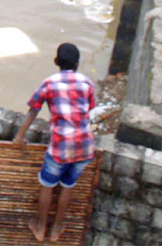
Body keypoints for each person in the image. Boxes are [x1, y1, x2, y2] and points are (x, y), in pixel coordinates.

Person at [11, 43, 97, 242]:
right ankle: (56, 229)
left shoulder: (49, 83)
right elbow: (89, 110)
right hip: (85, 146)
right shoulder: (86, 82)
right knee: (68, 186)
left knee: (47, 186)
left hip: (61, 147)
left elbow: (33, 110)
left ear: (56, 62)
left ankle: (40, 228)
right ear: (77, 63)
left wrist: (19, 138)